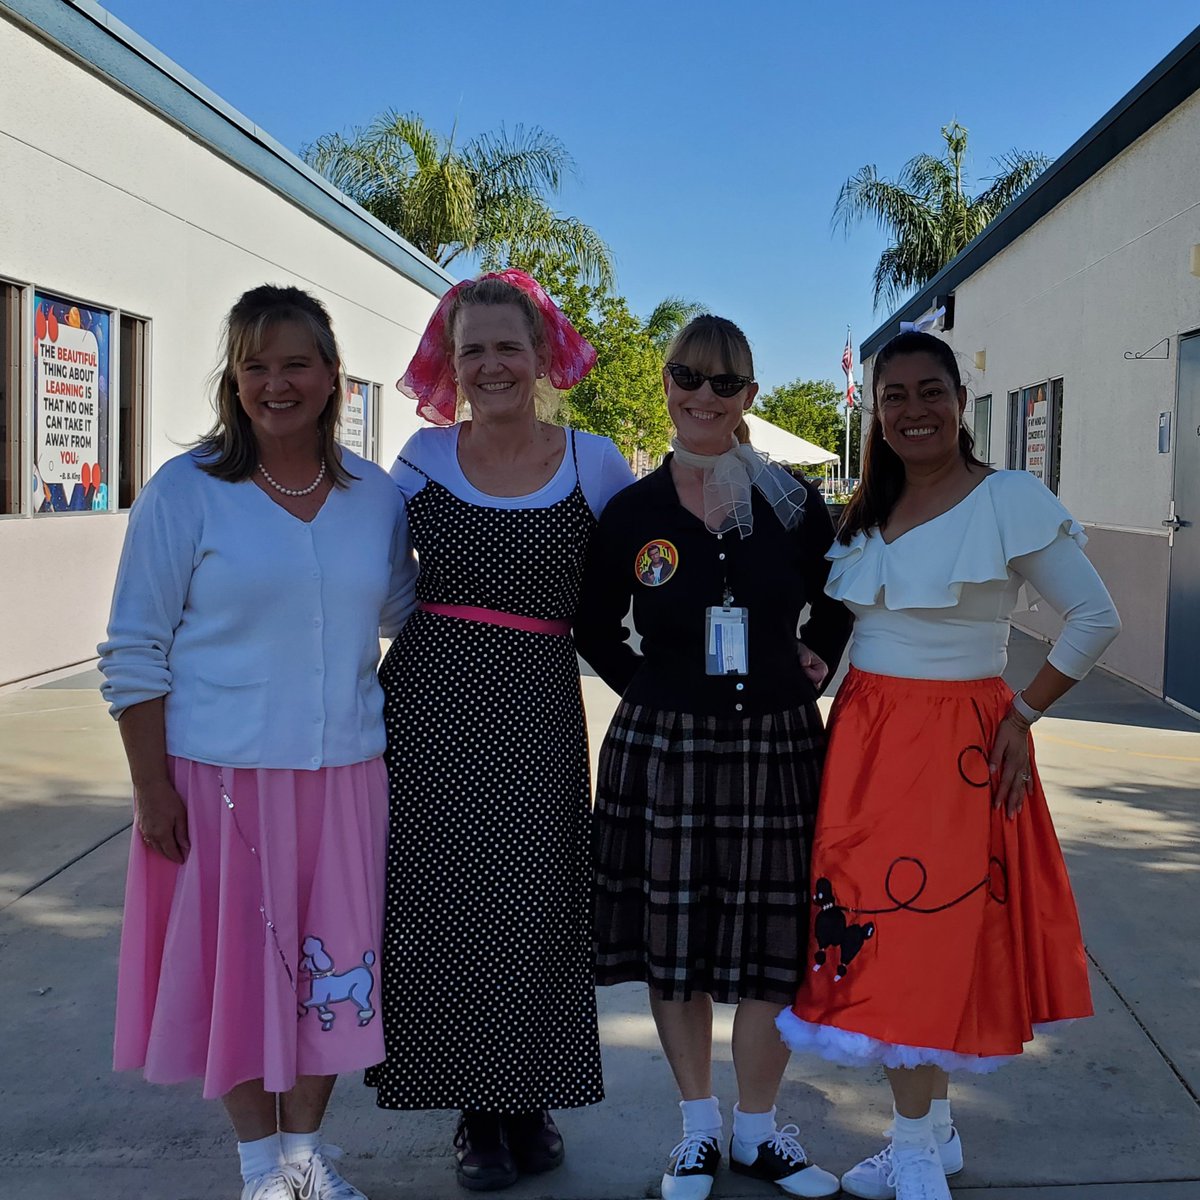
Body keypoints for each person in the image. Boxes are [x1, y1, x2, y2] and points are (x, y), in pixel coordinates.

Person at [776, 330, 1121, 1200]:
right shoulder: (867, 506)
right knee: (870, 930)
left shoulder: (1006, 497)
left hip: (958, 741)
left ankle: (915, 1144)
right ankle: (936, 1129)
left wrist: (1025, 712)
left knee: (924, 933)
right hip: (864, 739)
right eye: (894, 396)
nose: (913, 410)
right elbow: (854, 624)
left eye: (930, 391)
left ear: (961, 402)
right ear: (875, 410)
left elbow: (1093, 615)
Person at [99, 285, 417, 1200]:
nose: (275, 383)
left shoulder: (374, 498)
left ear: (332, 378)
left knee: (336, 975)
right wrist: (151, 787)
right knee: (236, 980)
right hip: (219, 779)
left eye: (295, 364)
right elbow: (133, 648)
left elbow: (401, 611)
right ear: (233, 381)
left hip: (346, 777)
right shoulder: (187, 491)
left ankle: (307, 1162)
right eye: (255, 366)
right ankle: (259, 1173)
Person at [364, 270, 635, 1191]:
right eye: (470, 349)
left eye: (506, 348)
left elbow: (651, 586)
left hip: (537, 709)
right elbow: (368, 579)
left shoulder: (595, 462)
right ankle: (478, 1118)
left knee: (536, 905)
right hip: (431, 707)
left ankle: (530, 1100)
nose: (489, 366)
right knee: (443, 909)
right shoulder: (419, 460)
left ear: (542, 357)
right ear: (451, 361)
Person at [574, 315, 852, 1200]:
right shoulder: (632, 511)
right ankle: (697, 1130)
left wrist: (821, 653)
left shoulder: (792, 505)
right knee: (676, 942)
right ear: (665, 383)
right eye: (687, 376)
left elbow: (843, 584)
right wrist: (646, 687)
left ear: (750, 398)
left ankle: (759, 1131)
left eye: (724, 383)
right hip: (668, 749)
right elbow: (590, 626)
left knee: (778, 943)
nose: (703, 396)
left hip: (776, 743)